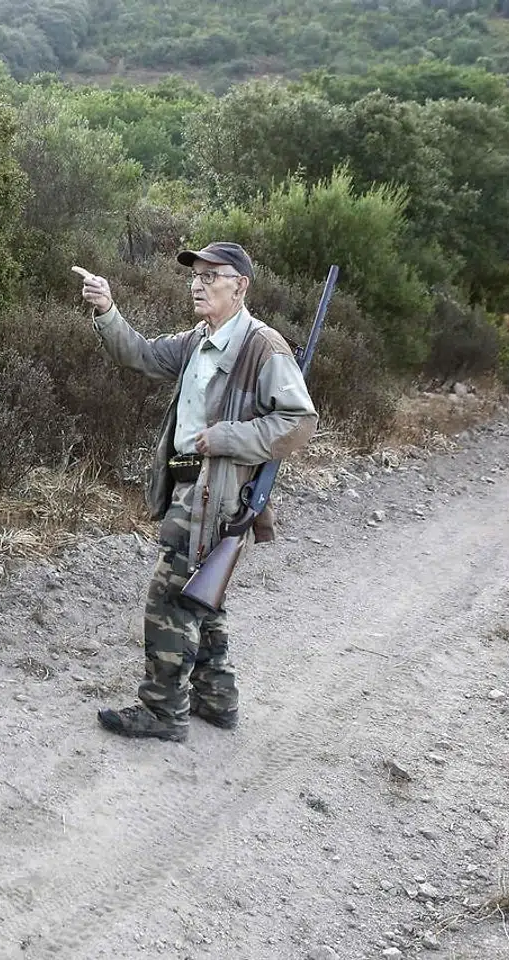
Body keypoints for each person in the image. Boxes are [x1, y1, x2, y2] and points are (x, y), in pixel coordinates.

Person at [79, 242, 317, 743]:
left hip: (217, 493)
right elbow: (140, 354)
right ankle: (217, 700)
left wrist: (231, 436)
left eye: (213, 276)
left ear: (241, 286)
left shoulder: (262, 347)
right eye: (196, 275)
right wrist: (107, 309)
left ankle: (164, 712)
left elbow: (299, 421)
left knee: (168, 599)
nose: (198, 283)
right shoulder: (197, 340)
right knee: (198, 597)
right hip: (188, 484)